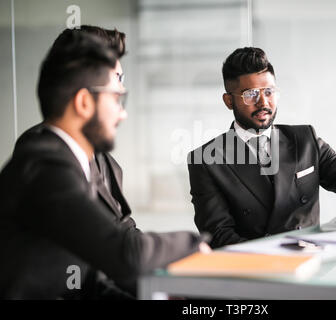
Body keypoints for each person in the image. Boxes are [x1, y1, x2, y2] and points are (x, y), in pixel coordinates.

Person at [0, 29, 208, 300]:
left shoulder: (72, 160)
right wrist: (195, 243)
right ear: (84, 102)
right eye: (116, 98)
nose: (123, 113)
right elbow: (125, 253)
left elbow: (87, 278)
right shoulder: (44, 164)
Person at [187, 47, 336, 249]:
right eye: (251, 94)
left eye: (269, 92)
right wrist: (277, 256)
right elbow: (219, 236)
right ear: (229, 101)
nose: (263, 102)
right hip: (257, 271)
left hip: (311, 264)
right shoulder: (206, 160)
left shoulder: (305, 138)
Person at [15, 25, 129, 224]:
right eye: (117, 78)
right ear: (83, 99)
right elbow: (115, 244)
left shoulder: (108, 164)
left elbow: (126, 231)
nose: (121, 89)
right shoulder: (40, 156)